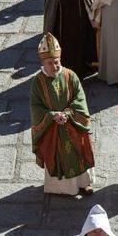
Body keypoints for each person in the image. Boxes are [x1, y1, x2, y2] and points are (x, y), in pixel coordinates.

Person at [30, 32, 96, 197]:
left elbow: (80, 98)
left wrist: (68, 113)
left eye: (57, 62)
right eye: (50, 63)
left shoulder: (70, 75)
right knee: (59, 156)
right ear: (43, 63)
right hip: (53, 129)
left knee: (79, 151)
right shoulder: (37, 82)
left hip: (73, 123)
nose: (55, 66)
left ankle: (83, 183)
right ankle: (62, 188)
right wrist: (52, 115)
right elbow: (35, 106)